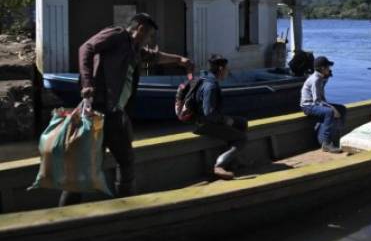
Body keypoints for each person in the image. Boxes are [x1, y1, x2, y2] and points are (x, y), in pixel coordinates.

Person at [60, 13, 193, 206]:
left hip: (115, 114)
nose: (149, 39)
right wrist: (87, 84)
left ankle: (125, 206)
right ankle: (66, 213)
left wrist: (180, 60)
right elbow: (86, 48)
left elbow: (155, 57)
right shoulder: (118, 35)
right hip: (97, 111)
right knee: (84, 167)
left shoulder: (134, 49)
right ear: (140, 29)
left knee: (126, 160)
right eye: (149, 35)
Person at [194, 54, 248, 180]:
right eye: (226, 69)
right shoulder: (211, 86)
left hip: (203, 120)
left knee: (242, 123)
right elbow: (209, 113)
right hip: (203, 123)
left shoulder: (205, 78)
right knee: (241, 138)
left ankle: (234, 160)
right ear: (220, 69)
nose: (227, 72)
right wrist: (225, 120)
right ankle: (219, 166)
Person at [300, 56, 346, 153]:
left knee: (342, 108)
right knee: (329, 112)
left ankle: (336, 137)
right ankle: (326, 143)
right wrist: (332, 108)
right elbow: (317, 100)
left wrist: (334, 108)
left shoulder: (321, 78)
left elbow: (321, 99)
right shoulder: (315, 79)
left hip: (315, 103)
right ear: (322, 68)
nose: (330, 69)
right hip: (308, 106)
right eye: (328, 67)